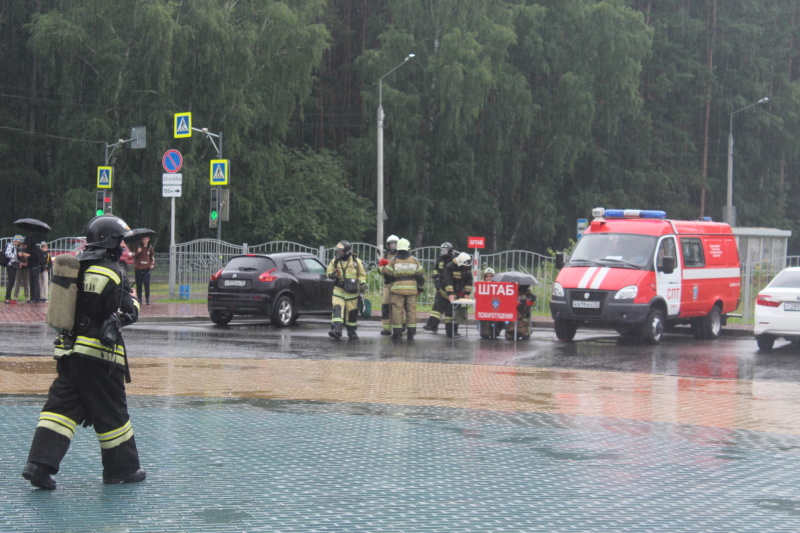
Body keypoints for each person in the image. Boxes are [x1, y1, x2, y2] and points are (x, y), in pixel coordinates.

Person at [22, 215, 145, 490]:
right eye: (120, 241)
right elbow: (127, 312)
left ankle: (38, 465)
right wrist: (133, 298)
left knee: (59, 410)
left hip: (69, 354)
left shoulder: (74, 266)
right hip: (101, 358)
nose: (122, 247)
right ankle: (122, 470)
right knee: (113, 413)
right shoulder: (112, 271)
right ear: (110, 241)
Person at [383, 238, 425, 340]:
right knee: (411, 311)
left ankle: (397, 333)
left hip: (397, 290)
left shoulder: (393, 260)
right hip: (411, 290)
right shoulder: (414, 260)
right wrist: (420, 289)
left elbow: (387, 274)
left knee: (397, 311)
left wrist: (392, 280)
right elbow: (420, 276)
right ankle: (411, 333)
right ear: (408, 248)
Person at [326, 240, 367, 340]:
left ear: (347, 252)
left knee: (352, 313)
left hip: (352, 293)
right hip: (338, 291)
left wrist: (362, 283)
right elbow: (328, 273)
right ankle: (337, 331)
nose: (339, 253)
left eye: (341, 251)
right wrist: (333, 275)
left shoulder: (356, 262)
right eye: (338, 251)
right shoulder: (335, 261)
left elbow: (362, 275)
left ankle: (352, 332)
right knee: (337, 310)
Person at [423, 242, 456, 333]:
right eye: (442, 250)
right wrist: (436, 279)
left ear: (450, 251)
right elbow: (435, 270)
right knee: (437, 308)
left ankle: (450, 330)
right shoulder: (439, 260)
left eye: (445, 250)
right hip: (440, 286)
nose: (443, 252)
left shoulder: (453, 261)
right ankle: (432, 325)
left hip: (450, 287)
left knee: (450, 310)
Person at [443, 252, 474, 338]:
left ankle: (455, 331)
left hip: (460, 291)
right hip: (450, 290)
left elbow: (469, 280)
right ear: (460, 262)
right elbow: (448, 281)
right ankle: (449, 332)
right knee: (449, 313)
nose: (466, 267)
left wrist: (467, 293)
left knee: (457, 312)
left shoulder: (467, 266)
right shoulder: (450, 267)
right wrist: (450, 294)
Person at [377, 235, 399, 335]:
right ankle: (386, 328)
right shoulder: (385, 256)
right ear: (388, 245)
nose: (393, 246)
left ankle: (400, 327)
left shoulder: (400, 256)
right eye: (391, 244)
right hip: (387, 285)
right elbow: (379, 269)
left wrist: (388, 268)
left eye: (395, 244)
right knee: (386, 306)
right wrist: (384, 269)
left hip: (397, 284)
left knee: (398, 306)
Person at [479, 267, 504, 340]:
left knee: (501, 321)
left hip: (496, 309)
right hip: (485, 309)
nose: (489, 278)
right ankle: (486, 332)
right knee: (484, 335)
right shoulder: (481, 285)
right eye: (487, 276)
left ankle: (495, 332)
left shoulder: (499, 286)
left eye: (491, 276)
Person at [133, 234, 155, 305]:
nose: (144, 241)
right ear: (142, 240)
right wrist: (137, 252)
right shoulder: (138, 247)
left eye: (146, 239)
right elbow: (134, 256)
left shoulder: (150, 247)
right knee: (139, 283)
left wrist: (151, 264)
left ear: (148, 239)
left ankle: (147, 298)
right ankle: (139, 298)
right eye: (143, 239)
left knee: (146, 283)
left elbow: (152, 256)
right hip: (139, 268)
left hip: (146, 268)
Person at [4, 235, 22, 304]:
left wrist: (19, 262)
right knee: (10, 281)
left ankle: (8, 297)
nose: (19, 243)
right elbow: (7, 254)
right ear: (16, 240)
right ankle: (7, 298)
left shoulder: (14, 246)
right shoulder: (10, 245)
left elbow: (14, 257)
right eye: (18, 242)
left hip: (13, 265)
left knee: (12, 282)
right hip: (10, 265)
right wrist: (17, 255)